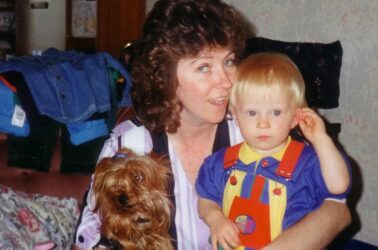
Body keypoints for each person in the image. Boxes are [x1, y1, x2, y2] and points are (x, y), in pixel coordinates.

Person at [72, 0, 351, 249]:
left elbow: (337, 210)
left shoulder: (255, 125)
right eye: (204, 67)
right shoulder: (131, 143)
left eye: (229, 61)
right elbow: (90, 238)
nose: (227, 81)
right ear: (164, 76)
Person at [196, 52, 351, 250]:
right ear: (235, 115)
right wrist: (215, 218)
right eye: (252, 113)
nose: (263, 123)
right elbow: (206, 199)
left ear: (295, 117)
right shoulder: (221, 162)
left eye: (276, 112)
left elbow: (339, 186)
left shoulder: (307, 162)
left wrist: (320, 139)